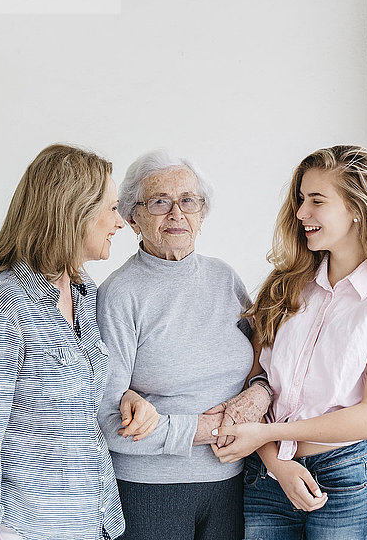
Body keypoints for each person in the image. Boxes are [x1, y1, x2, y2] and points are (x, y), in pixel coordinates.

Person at [0, 144, 158, 540]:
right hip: (29, 527)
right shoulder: (2, 306)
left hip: (95, 519)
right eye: (110, 208)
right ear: (73, 212)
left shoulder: (83, 290)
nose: (119, 221)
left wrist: (127, 397)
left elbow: (76, 396)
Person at [97, 150, 271, 540]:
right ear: (132, 217)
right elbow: (108, 421)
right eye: (159, 202)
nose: (176, 213)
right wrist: (207, 429)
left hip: (233, 480)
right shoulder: (120, 295)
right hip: (150, 490)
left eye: (188, 201)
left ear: (202, 213)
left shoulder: (225, 278)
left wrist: (259, 393)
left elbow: (263, 362)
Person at [211, 145, 367, 539]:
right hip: (266, 476)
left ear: (357, 208)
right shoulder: (286, 285)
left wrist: (265, 436)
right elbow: (254, 383)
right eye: (300, 199)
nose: (301, 213)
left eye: (317, 200)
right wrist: (275, 462)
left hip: (342, 477)